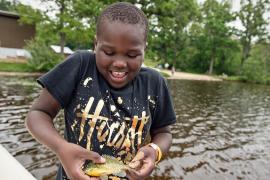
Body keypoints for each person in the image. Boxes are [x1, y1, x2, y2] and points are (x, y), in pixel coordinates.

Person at [25, 2, 176, 180]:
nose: (119, 62)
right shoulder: (80, 66)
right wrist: (61, 148)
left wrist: (155, 151)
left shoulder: (155, 82)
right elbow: (37, 113)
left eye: (132, 55)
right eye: (109, 52)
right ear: (96, 44)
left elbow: (164, 133)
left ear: (144, 49)